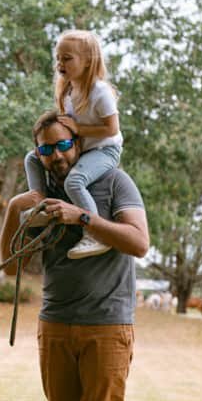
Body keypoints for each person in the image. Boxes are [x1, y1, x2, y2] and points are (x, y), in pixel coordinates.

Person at [2, 110, 149, 401]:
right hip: (55, 323)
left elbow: (139, 243)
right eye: (46, 150)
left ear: (79, 143)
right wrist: (14, 209)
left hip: (107, 325)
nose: (56, 155)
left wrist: (82, 217)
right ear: (37, 155)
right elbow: (12, 267)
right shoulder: (42, 196)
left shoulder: (114, 181)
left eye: (64, 144)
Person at [24, 30, 123, 259]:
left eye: (67, 58)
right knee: (32, 157)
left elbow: (112, 129)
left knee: (75, 181)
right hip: (84, 146)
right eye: (58, 58)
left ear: (88, 60)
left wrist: (79, 131)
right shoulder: (68, 91)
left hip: (104, 149)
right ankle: (38, 203)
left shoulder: (99, 92)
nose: (60, 63)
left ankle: (94, 232)